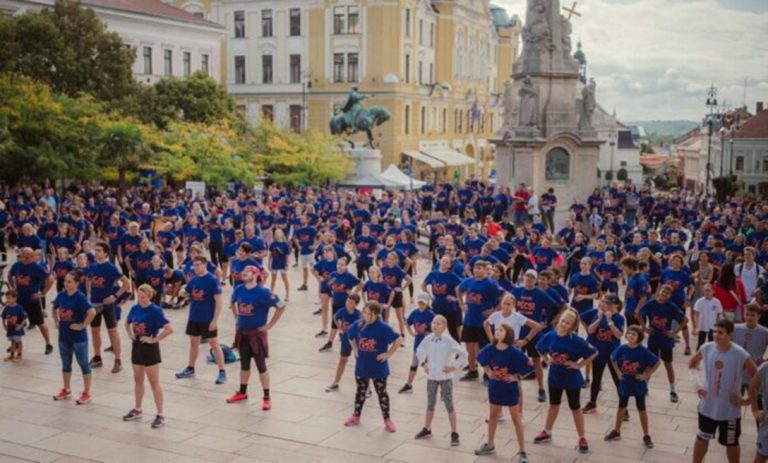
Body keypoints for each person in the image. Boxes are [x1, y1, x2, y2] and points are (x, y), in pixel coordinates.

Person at [689, 319, 757, 463]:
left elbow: (757, 376)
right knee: (702, 438)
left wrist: (747, 400)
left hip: (730, 410)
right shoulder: (706, 348)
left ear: (730, 335)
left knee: (731, 443)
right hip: (707, 407)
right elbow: (692, 363)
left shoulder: (740, 353)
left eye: (720, 333)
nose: (716, 335)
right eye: (714, 331)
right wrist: (697, 385)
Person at [534, 308, 598, 454]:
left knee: (575, 408)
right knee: (553, 406)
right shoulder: (550, 335)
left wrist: (579, 365)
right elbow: (539, 347)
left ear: (572, 325)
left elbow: (594, 352)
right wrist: (546, 360)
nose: (564, 324)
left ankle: (582, 437)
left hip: (572, 379)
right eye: (563, 320)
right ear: (559, 319)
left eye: (568, 323)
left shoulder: (575, 340)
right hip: (555, 377)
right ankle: (547, 431)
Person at [474, 323, 535, 463]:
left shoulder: (514, 352)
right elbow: (480, 358)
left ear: (508, 334)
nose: (497, 331)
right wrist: (488, 372)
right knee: (493, 416)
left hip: (510, 389)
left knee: (516, 419)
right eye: (497, 329)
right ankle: (490, 444)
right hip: (495, 388)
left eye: (501, 330)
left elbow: (530, 366)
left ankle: (522, 451)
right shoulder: (490, 348)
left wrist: (516, 377)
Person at [226, 266, 285, 409]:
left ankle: (266, 397)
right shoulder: (239, 289)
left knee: (261, 367)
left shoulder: (263, 292)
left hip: (257, 335)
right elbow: (232, 303)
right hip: (242, 334)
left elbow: (281, 306)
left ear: (255, 275)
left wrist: (269, 326)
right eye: (243, 271)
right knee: (244, 365)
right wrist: (236, 318)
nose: (244, 273)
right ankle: (242, 392)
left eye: (248, 272)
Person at [344, 301, 401, 431]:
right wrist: (355, 349)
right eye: (364, 312)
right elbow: (350, 336)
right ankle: (356, 416)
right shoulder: (358, 325)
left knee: (382, 394)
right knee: (360, 392)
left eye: (369, 313)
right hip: (362, 366)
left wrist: (388, 354)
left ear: (375, 314)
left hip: (378, 368)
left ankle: (387, 420)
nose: (365, 315)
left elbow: (398, 340)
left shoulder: (383, 327)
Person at [123, 284, 173, 428]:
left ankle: (160, 414)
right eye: (139, 296)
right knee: (138, 379)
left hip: (149, 348)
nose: (141, 299)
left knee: (154, 382)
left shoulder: (155, 311)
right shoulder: (134, 308)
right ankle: (138, 409)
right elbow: (127, 323)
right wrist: (130, 335)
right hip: (137, 346)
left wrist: (154, 340)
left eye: (143, 297)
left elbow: (169, 329)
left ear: (149, 296)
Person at [414, 315, 467, 446]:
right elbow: (419, 350)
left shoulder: (448, 340)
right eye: (433, 323)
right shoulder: (428, 339)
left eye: (438, 323)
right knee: (430, 403)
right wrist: (423, 363)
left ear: (444, 327)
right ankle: (427, 428)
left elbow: (464, 353)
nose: (435, 325)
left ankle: (454, 432)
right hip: (432, 377)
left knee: (449, 404)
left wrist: (453, 367)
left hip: (445, 378)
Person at [605, 325, 661, 447]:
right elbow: (612, 358)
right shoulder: (622, 348)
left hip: (638, 384)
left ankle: (646, 435)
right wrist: (618, 372)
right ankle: (616, 431)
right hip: (625, 382)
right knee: (621, 407)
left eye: (634, 334)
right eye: (629, 333)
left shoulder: (643, 351)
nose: (630, 335)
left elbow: (657, 362)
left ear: (639, 338)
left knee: (641, 409)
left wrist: (647, 374)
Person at [175, 256, 227, 384]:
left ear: (205, 265)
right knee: (193, 344)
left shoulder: (212, 280)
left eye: (198, 265)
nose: (196, 267)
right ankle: (190, 368)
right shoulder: (195, 279)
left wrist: (214, 321)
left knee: (214, 344)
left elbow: (219, 302)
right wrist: (182, 291)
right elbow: (186, 291)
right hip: (194, 317)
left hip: (207, 318)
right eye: (195, 265)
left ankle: (222, 372)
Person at [52, 271, 97, 404]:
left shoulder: (80, 297)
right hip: (64, 336)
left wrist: (83, 325)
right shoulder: (61, 295)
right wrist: (56, 322)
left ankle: (87, 392)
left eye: (69, 281)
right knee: (66, 363)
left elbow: (92, 312)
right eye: (65, 281)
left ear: (76, 283)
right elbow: (54, 308)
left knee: (83, 363)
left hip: (79, 338)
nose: (66, 284)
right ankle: (66, 389)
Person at [639, 284, 687, 403]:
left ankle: (672, 390)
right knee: (649, 363)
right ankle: (645, 388)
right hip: (653, 338)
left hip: (666, 340)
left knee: (668, 364)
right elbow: (639, 313)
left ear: (669, 296)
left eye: (667, 293)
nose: (663, 294)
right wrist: (644, 327)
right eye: (662, 292)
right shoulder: (651, 303)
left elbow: (685, 320)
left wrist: (674, 332)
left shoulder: (671, 307)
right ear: (658, 291)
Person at [86, 242, 129, 373]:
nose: (96, 253)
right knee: (95, 331)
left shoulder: (111, 267)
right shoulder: (92, 266)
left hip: (108, 305)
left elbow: (126, 283)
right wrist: (88, 294)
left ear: (105, 253)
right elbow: (89, 279)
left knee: (112, 332)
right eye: (95, 250)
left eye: (99, 250)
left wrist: (114, 297)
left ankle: (118, 360)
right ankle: (97, 357)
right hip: (94, 304)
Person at [457, 260, 502, 381]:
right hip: (469, 321)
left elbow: (504, 296)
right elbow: (458, 289)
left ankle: (487, 374)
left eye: (479, 268)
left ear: (485, 270)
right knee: (469, 348)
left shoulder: (490, 283)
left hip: (484, 323)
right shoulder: (470, 281)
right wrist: (462, 304)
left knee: (484, 350)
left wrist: (494, 311)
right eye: (475, 268)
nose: (476, 270)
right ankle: (473, 371)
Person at [581, 294, 625, 414]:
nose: (605, 305)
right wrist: (600, 318)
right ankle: (592, 403)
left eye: (609, 303)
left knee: (617, 380)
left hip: (613, 355)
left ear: (616, 305)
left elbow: (619, 335)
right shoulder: (598, 314)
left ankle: (624, 409)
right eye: (604, 303)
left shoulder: (619, 318)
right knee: (596, 379)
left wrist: (610, 321)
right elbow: (590, 330)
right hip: (599, 353)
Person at [8, 247, 54, 354]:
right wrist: (13, 287)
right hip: (19, 300)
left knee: (40, 323)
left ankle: (48, 344)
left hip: (32, 301)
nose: (25, 259)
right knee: (15, 322)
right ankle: (14, 345)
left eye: (27, 257)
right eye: (23, 256)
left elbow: (51, 279)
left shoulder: (37, 267)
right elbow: (10, 275)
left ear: (32, 257)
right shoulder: (17, 265)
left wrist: (42, 293)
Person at [319, 258, 361, 352]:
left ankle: (354, 342)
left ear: (346, 266)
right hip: (336, 302)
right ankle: (330, 342)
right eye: (338, 264)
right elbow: (329, 284)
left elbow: (360, 284)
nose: (339, 266)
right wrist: (332, 293)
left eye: (342, 265)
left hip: (346, 303)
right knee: (335, 321)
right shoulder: (334, 274)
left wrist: (353, 292)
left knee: (348, 322)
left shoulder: (349, 276)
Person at [398, 293, 435, 393]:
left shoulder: (431, 314)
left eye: (423, 303)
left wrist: (430, 333)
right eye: (419, 302)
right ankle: (409, 384)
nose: (421, 304)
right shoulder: (415, 312)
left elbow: (437, 328)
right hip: (418, 342)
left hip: (428, 344)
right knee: (414, 363)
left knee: (430, 364)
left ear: (427, 303)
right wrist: (410, 332)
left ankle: (438, 386)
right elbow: (407, 322)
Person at [325, 293, 362, 392]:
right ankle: (336, 382)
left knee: (361, 362)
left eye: (351, 302)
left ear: (356, 304)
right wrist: (340, 328)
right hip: (345, 340)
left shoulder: (358, 315)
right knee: (342, 360)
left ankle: (366, 388)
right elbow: (335, 318)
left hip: (356, 341)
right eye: (348, 301)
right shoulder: (342, 311)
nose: (348, 303)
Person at [733, 303, 768, 396]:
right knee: (733, 403)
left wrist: (765, 361)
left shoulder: (765, 332)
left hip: (756, 373)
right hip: (737, 373)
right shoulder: (735, 328)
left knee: (757, 403)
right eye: (747, 314)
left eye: (753, 315)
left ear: (759, 316)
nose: (749, 317)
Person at [749, 355, 768, 463]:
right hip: (766, 426)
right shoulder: (765, 368)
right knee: (761, 456)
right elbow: (752, 386)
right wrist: (755, 410)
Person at [693, 284, 723, 350]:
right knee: (700, 343)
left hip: (712, 326)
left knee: (712, 344)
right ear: (703, 291)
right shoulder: (699, 302)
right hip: (702, 326)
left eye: (709, 290)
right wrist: (696, 327)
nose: (707, 292)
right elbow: (696, 315)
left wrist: (719, 326)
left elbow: (719, 315)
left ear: (713, 291)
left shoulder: (717, 302)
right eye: (705, 290)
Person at [2, 290, 26, 362]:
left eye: (9, 298)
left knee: (18, 341)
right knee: (12, 341)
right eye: (7, 298)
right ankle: (12, 355)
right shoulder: (7, 307)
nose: (8, 300)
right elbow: (3, 317)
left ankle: (19, 355)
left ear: (15, 298)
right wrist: (4, 325)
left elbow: (24, 319)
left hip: (17, 329)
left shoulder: (19, 308)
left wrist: (20, 326)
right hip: (10, 329)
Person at [268, 229, 291, 301]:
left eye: (278, 233)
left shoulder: (285, 244)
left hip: (282, 264)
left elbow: (287, 255)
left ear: (282, 235)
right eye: (276, 233)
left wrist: (287, 264)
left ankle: (287, 294)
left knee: (285, 279)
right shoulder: (273, 244)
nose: (277, 235)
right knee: (273, 279)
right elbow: (270, 254)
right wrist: (269, 263)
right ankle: (271, 293)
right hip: (275, 263)